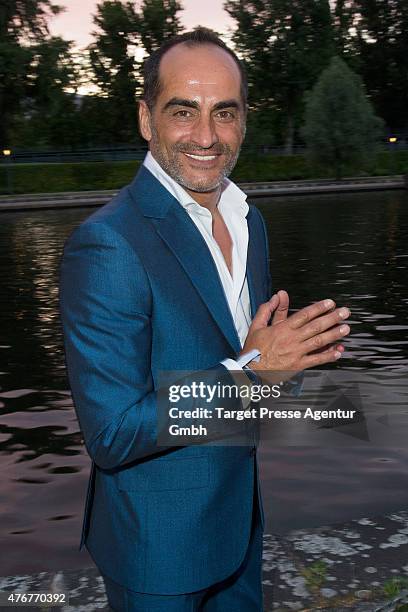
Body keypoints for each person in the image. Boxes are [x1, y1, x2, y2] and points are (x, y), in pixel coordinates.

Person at [59, 27, 350, 612]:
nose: (206, 136)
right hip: (159, 553)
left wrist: (288, 365)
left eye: (225, 113)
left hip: (239, 526)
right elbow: (112, 435)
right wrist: (250, 371)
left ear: (245, 120)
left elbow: (249, 370)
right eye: (182, 111)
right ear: (146, 120)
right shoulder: (107, 244)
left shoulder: (249, 222)